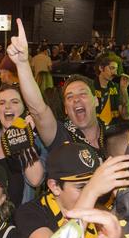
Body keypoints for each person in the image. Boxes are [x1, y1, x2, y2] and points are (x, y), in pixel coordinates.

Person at [7, 19, 106, 157]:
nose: (76, 99)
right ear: (65, 108)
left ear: (95, 100)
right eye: (69, 97)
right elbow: (38, 111)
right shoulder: (61, 136)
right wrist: (22, 64)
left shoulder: (112, 136)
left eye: (82, 94)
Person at [92, 52, 129, 125]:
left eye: (116, 69)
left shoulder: (115, 87)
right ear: (101, 68)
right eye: (112, 68)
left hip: (113, 132)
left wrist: (124, 89)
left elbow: (126, 116)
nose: (114, 72)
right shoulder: (90, 87)